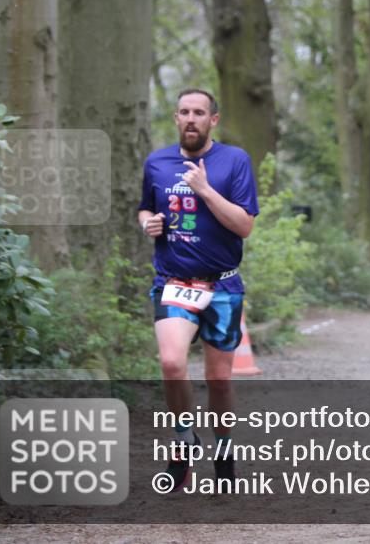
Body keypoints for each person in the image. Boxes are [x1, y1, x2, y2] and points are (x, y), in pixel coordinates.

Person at [137, 88, 259, 492]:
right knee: (172, 363)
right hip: (172, 281)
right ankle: (183, 442)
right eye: (184, 112)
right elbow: (145, 207)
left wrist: (206, 189)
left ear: (214, 120)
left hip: (222, 285)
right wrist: (147, 223)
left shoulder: (234, 161)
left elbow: (244, 225)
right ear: (175, 118)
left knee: (219, 380)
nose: (191, 119)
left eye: (199, 113)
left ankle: (223, 449)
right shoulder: (157, 162)